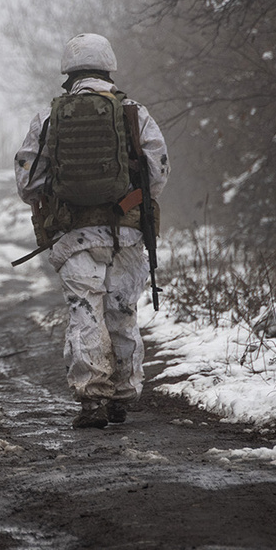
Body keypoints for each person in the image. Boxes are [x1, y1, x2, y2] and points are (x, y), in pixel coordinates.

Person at [14, 33, 169, 429]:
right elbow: (158, 171)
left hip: (73, 235)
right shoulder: (134, 112)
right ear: (108, 66)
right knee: (122, 310)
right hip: (128, 232)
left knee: (86, 311)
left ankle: (93, 399)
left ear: (69, 72)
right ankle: (123, 394)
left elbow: (27, 182)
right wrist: (129, 201)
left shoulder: (50, 117)